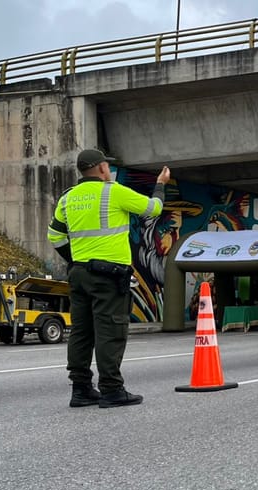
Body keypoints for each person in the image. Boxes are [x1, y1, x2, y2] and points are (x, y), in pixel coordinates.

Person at [47, 149, 166, 408]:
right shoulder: (114, 191)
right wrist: (160, 185)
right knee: (110, 330)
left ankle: (81, 390)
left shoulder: (67, 198)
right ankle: (112, 389)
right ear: (101, 169)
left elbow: (54, 237)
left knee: (81, 332)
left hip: (78, 273)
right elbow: (153, 209)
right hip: (108, 276)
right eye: (107, 167)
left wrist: (77, 259)